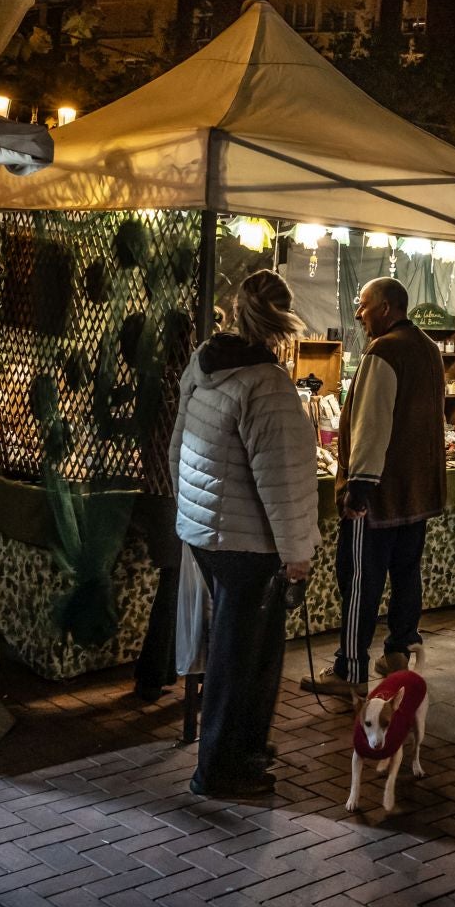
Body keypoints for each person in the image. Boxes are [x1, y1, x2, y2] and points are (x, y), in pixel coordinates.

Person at [170, 270, 317, 798]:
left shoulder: (205, 362)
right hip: (248, 543)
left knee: (247, 650)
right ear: (282, 318)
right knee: (243, 656)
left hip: (207, 532)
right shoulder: (267, 383)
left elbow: (178, 445)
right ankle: (221, 768)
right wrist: (298, 553)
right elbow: (284, 477)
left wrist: (187, 514)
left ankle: (245, 747)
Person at [304, 278, 446, 696]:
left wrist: (359, 487)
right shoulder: (427, 349)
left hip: (380, 495)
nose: (358, 315)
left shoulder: (383, 350)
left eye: (363, 307)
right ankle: (399, 650)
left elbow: (372, 422)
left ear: (385, 308)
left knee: (360, 580)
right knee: (406, 573)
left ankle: (351, 668)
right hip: (416, 489)